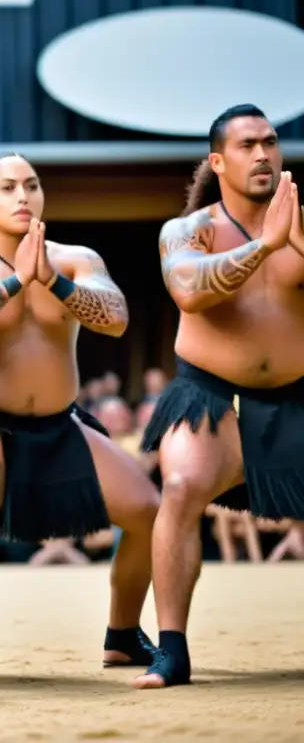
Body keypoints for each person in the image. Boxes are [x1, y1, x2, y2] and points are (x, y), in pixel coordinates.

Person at [0, 153, 160, 677]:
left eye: (32, 186)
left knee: (149, 509)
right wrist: (16, 282)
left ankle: (123, 635)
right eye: (8, 187)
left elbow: (117, 320)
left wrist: (53, 282)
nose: (23, 196)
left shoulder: (75, 259)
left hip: (59, 422)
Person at [135, 104, 304, 689]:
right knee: (180, 486)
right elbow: (188, 290)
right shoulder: (189, 230)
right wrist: (263, 247)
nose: (262, 154)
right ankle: (171, 649)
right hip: (211, 395)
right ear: (217, 161)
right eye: (246, 145)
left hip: (297, 393)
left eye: (270, 142)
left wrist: (296, 248)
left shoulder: (301, 225)